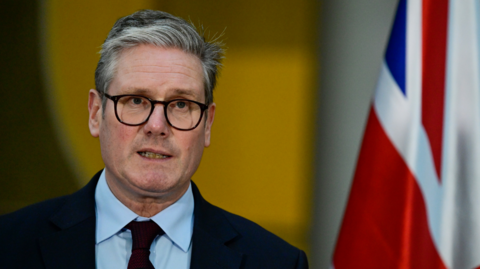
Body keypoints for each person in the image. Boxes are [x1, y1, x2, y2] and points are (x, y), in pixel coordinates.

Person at [0, 10, 308, 269]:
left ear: (208, 124)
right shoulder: (9, 245)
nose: (157, 125)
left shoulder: (275, 261)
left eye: (181, 104)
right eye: (136, 101)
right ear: (96, 113)